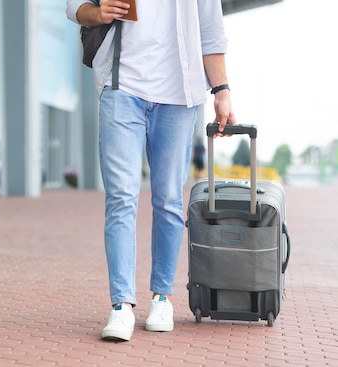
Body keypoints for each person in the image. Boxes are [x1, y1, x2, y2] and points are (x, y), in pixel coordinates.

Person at [66, 0, 236, 341]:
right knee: (121, 198)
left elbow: (210, 30)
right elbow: (74, 6)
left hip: (179, 94)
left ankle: (162, 298)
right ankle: (121, 305)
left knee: (169, 200)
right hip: (122, 85)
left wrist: (222, 91)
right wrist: (95, 13)